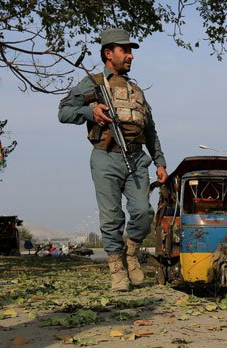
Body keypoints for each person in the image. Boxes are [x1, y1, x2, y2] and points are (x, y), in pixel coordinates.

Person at [58, 28, 168, 291]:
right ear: (108, 53)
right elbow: (64, 111)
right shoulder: (94, 83)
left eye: (130, 51)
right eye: (124, 50)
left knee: (143, 212)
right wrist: (90, 111)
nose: (130, 56)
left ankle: (132, 254)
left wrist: (159, 162)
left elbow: (150, 129)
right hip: (106, 156)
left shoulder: (135, 89)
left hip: (137, 158)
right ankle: (117, 269)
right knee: (111, 218)